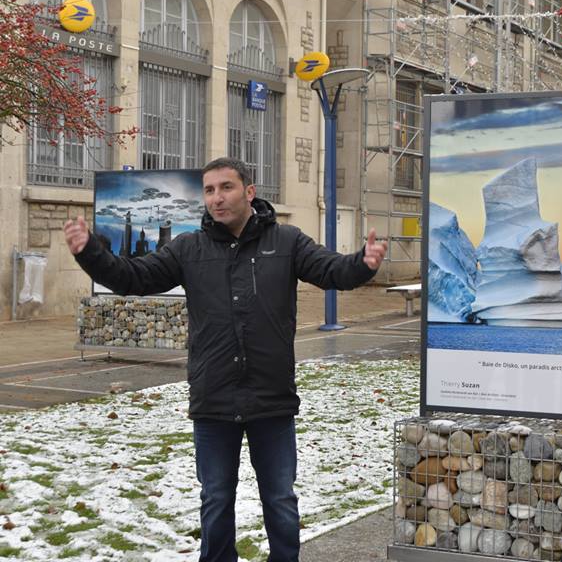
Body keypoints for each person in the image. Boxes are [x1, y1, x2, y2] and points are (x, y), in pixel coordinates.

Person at [63, 157, 387, 562]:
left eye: (226, 187)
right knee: (215, 500)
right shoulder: (187, 248)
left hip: (271, 399)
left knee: (281, 500)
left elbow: (332, 271)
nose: (217, 198)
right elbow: (133, 277)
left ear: (249, 192)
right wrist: (90, 253)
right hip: (213, 400)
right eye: (210, 190)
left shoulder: (286, 242)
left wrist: (363, 263)